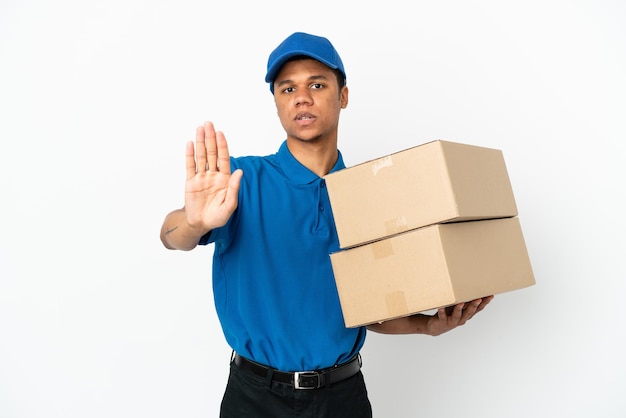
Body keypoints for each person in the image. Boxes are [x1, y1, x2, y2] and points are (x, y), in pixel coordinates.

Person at [160, 32, 493, 418]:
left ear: (343, 96)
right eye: (287, 89)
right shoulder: (240, 180)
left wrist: (426, 326)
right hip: (254, 399)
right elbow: (172, 235)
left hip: (342, 397)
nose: (301, 97)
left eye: (316, 84)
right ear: (277, 104)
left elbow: (366, 308)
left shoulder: (369, 197)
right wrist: (193, 222)